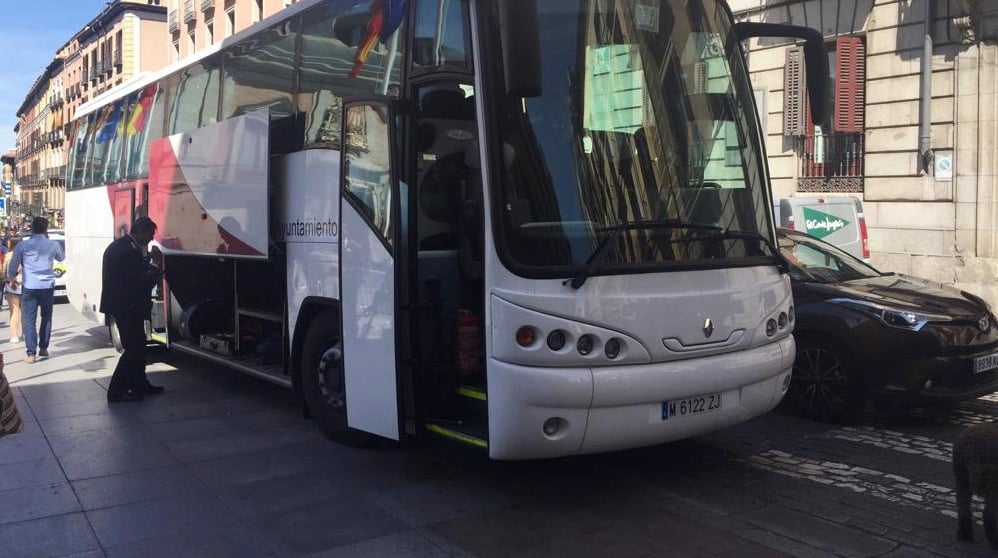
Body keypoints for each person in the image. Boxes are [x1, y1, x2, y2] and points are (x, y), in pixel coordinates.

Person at [100, 217, 164, 403]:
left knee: (139, 347)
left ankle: (138, 384)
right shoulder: (128, 251)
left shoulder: (121, 246)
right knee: (133, 349)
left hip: (123, 305)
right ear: (141, 231)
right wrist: (155, 267)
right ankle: (116, 390)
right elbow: (138, 281)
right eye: (150, 234)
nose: (151, 239)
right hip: (128, 307)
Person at [6, 217, 64, 363]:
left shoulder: (23, 246)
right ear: (45, 229)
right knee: (46, 317)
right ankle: (43, 348)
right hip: (47, 287)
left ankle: (31, 354)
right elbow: (61, 257)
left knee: (29, 320)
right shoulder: (53, 244)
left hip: (30, 287)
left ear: (32, 228)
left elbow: (13, 267)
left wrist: (12, 278)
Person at [3, 237, 23, 343]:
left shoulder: (8, 255)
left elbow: (3, 272)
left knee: (14, 311)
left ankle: (14, 336)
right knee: (25, 311)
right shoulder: (25, 255)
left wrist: (4, 279)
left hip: (11, 285)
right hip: (24, 284)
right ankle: (25, 333)